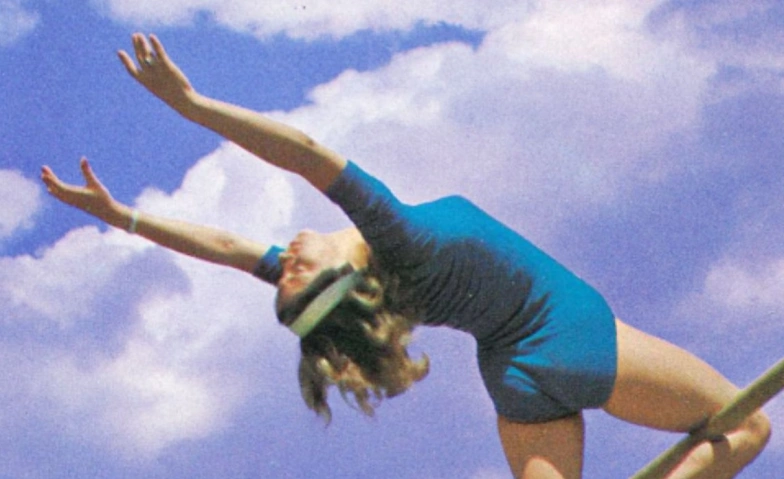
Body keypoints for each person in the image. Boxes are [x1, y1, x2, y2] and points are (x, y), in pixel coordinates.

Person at [40, 33, 771, 479]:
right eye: (295, 271)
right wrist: (192, 105)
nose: (284, 258)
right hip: (562, 329)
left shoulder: (374, 285)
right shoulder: (394, 238)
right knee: (748, 426)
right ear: (339, 281)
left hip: (514, 380)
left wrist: (122, 215)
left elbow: (229, 249)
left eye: (281, 272)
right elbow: (303, 151)